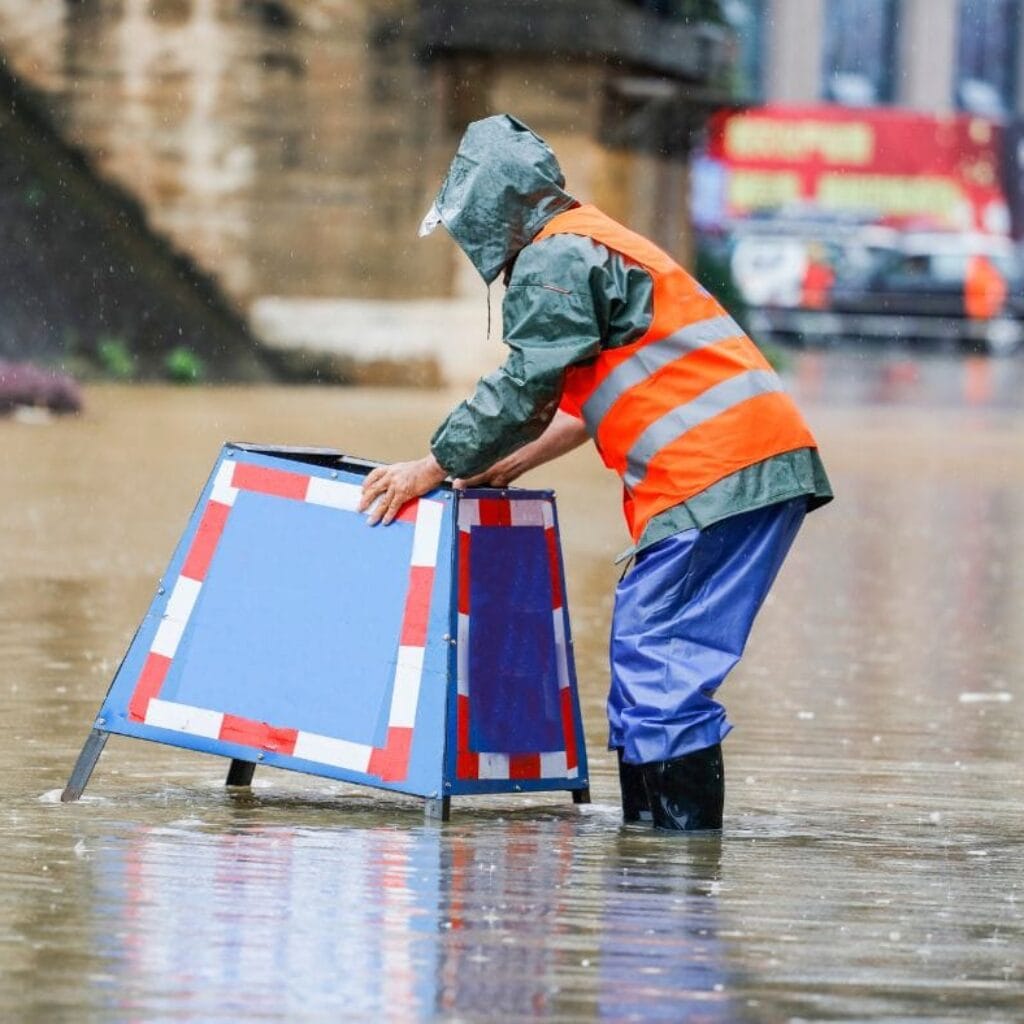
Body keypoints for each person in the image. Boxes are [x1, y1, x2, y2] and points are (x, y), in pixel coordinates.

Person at [359, 114, 833, 832]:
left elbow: (525, 385)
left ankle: (676, 874)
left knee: (659, 663)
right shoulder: (594, 241)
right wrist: (505, 462)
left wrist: (432, 465)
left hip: (714, 476)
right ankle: (651, 860)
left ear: (493, 206)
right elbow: (582, 404)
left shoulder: (554, 257)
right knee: (649, 659)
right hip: (742, 469)